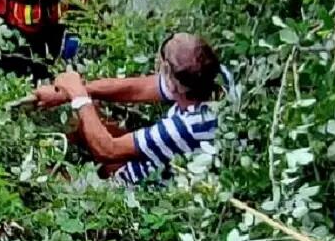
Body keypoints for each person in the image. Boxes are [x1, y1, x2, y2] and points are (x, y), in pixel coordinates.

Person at [32, 33, 227, 185]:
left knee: (46, 178)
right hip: (159, 158)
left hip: (146, 186)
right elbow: (139, 88)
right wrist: (70, 92)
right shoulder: (213, 78)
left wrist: (79, 97)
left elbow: (108, 150)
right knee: (86, 120)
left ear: (172, 78)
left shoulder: (185, 127)